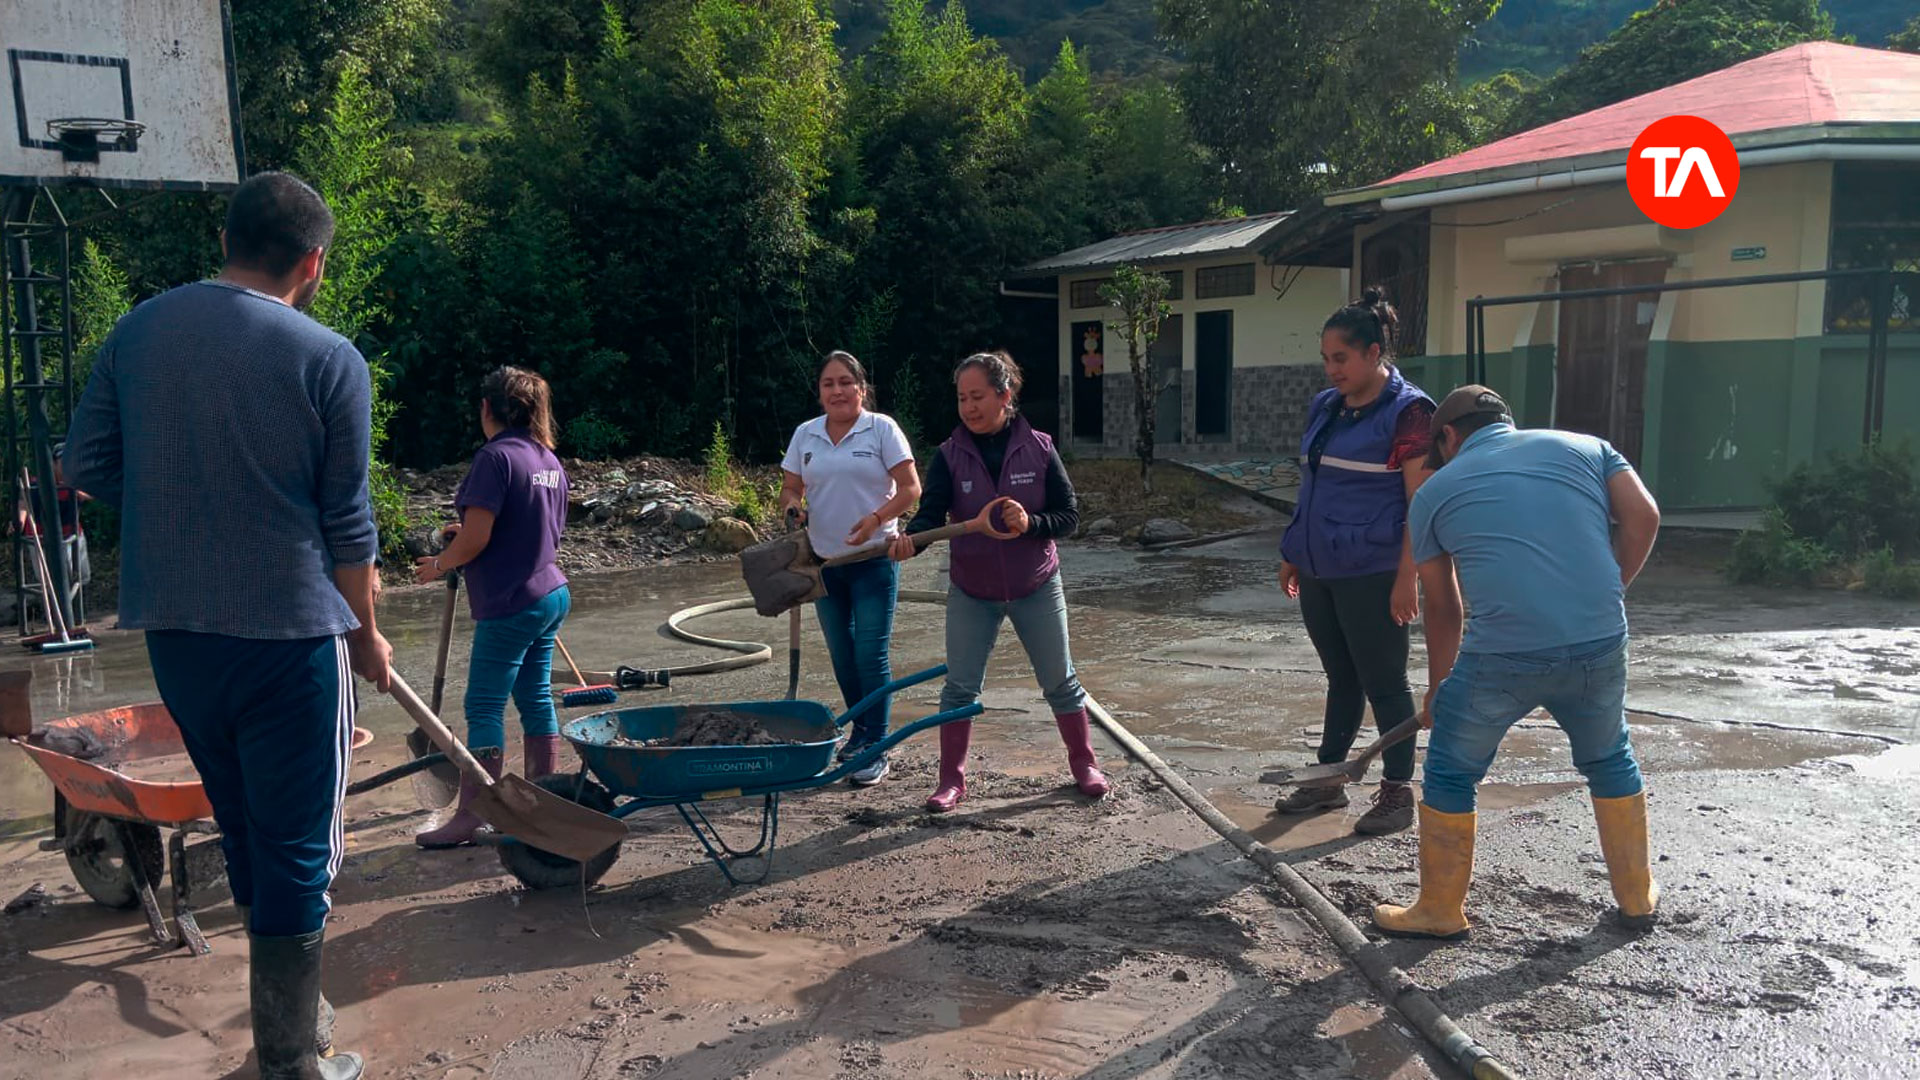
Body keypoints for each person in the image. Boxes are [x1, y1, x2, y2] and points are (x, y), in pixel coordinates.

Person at [61, 171, 383, 1080]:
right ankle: (288, 1059)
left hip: (176, 629)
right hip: (290, 635)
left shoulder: (140, 331)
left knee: (241, 820)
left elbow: (86, 462)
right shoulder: (329, 359)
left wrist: (179, 504)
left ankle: (292, 1018)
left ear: (228, 240)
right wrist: (365, 634)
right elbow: (349, 527)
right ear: (313, 262)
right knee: (299, 844)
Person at [1373, 386, 1663, 939]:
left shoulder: (1434, 491)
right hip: (1598, 642)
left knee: (1453, 770)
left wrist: (1439, 686)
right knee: (1609, 758)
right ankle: (1635, 898)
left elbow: (1443, 603)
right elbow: (1643, 517)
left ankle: (1439, 909)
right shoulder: (1590, 448)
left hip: (1499, 657)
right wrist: (1608, 592)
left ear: (1449, 437)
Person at [890, 350, 1109, 813]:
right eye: (962, 398)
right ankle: (951, 781)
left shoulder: (1042, 448)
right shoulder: (949, 456)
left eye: (978, 396)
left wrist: (1030, 523)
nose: (968, 407)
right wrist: (911, 540)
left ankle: (1085, 766)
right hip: (973, 589)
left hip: (1037, 584)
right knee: (959, 688)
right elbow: (930, 516)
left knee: (1061, 683)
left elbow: (1068, 517)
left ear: (1005, 395)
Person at [1274, 289, 1435, 836]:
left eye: (1340, 358)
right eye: (1325, 358)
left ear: (1372, 353)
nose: (1331, 368)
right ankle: (1327, 781)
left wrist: (1406, 578)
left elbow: (1422, 503)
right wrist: (1294, 552)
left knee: (1386, 682)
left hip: (1374, 572)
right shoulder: (1327, 406)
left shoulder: (1409, 412)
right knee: (1340, 678)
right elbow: (1312, 486)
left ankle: (1396, 794)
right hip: (1320, 568)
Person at [414, 366, 573, 847]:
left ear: (487, 408)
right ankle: (542, 800)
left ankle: (474, 812)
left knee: (483, 704)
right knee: (535, 697)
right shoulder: (547, 458)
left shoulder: (494, 458)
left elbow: (478, 538)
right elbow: (535, 527)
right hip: (549, 593)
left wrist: (439, 564)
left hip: (511, 601)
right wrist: (468, 539)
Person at [779, 351, 921, 786]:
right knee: (842, 653)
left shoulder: (881, 429)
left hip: (875, 559)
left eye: (845, 382)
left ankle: (876, 744)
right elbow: (790, 487)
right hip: (824, 565)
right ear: (820, 392)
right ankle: (860, 732)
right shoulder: (806, 434)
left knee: (869, 651)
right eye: (828, 384)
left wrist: (878, 518)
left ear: (862, 388)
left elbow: (912, 487)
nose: (837, 391)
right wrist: (792, 508)